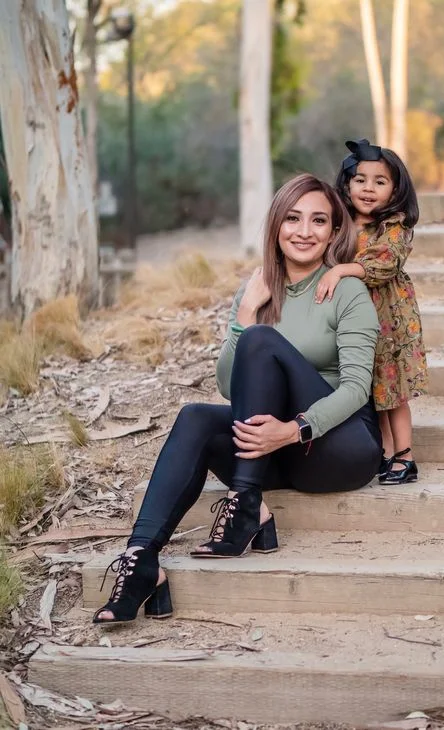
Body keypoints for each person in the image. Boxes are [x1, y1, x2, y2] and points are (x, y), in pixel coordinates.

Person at [93, 173, 382, 625]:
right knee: (194, 417)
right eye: (293, 218)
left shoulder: (346, 290)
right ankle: (142, 560)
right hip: (269, 450)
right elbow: (231, 388)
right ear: (275, 225)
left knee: (262, 341)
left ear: (334, 231)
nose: (304, 231)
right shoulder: (256, 290)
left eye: (318, 220)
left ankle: (245, 501)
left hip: (337, 446)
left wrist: (294, 428)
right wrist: (246, 314)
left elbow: (356, 388)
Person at [315, 139, 428, 485]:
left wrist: (341, 270)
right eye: (360, 179)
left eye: (380, 181)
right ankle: (385, 451)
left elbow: (385, 262)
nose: (368, 188)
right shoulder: (340, 224)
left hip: (389, 322)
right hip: (354, 322)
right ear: (346, 184)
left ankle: (405, 456)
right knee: (372, 391)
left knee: (393, 394)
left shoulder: (393, 226)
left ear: (395, 189)